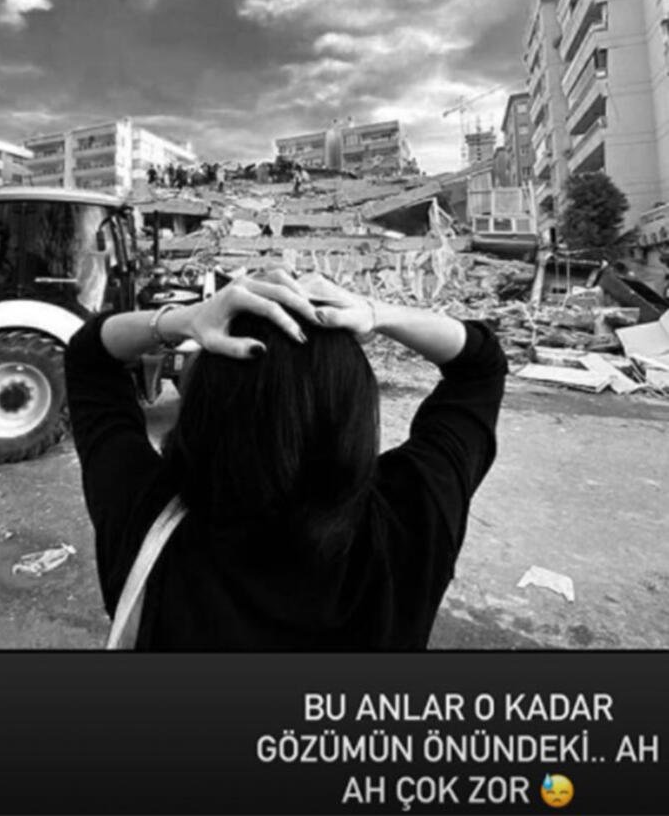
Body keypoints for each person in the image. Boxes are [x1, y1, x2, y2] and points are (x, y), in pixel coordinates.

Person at [64, 270, 506, 650]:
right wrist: (375, 313)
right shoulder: (413, 514)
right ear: (353, 406)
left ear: (202, 404)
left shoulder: (144, 517)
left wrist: (184, 320)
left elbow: (89, 356)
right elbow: (480, 365)